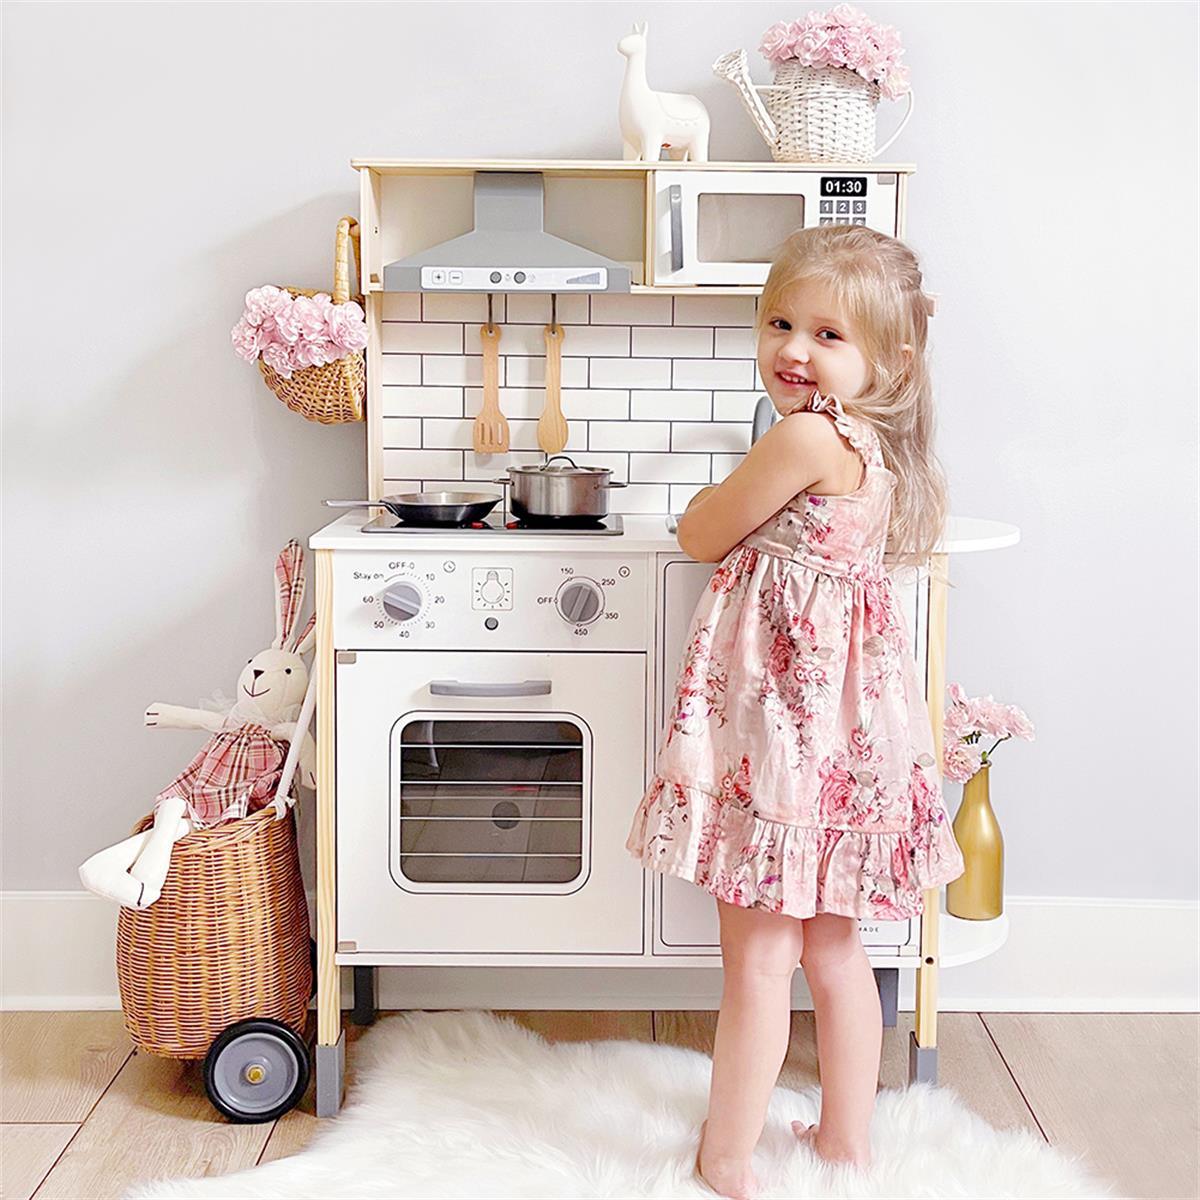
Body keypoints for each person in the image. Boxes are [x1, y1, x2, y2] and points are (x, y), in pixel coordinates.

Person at [624, 225, 966, 1200]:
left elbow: (701, 532)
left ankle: (726, 1157)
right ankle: (846, 1142)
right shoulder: (873, 449)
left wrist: (711, 500)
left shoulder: (806, 435)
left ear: (888, 361)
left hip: (784, 741)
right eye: (781, 322)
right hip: (841, 751)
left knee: (760, 957)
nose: (794, 351)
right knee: (833, 947)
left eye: (827, 334)